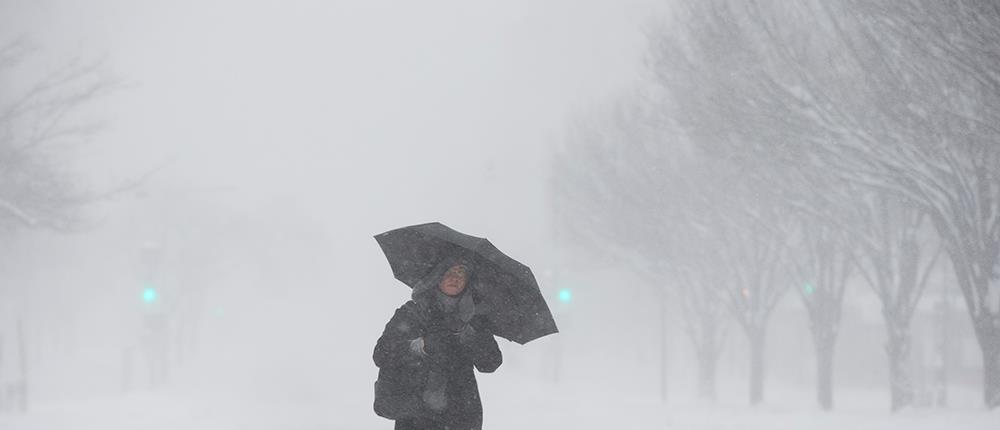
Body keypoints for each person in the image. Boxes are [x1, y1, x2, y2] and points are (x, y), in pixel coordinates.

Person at [373, 257, 503, 430]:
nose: (455, 278)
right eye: (449, 272)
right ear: (437, 277)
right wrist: (422, 346)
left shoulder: (474, 319)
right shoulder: (413, 313)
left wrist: (468, 334)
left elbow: (491, 362)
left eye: (461, 274)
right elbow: (381, 354)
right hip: (415, 417)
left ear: (467, 282)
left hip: (461, 416)